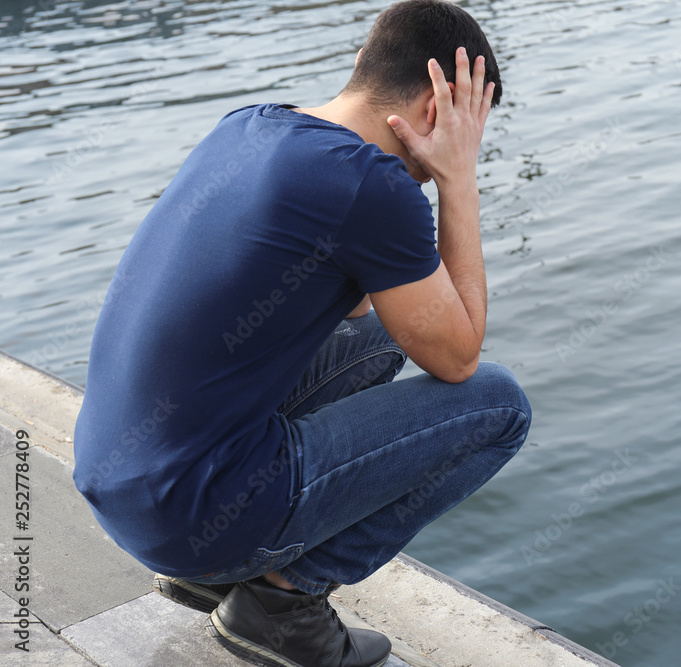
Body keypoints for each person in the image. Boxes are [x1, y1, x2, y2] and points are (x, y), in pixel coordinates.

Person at [72, 2, 532, 665]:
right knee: (500, 405)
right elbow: (459, 356)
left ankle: (211, 573)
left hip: (124, 486)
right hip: (192, 510)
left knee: (382, 341)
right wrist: (458, 182)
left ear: (362, 65)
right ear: (439, 112)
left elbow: (347, 314)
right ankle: (282, 602)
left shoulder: (251, 127)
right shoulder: (370, 184)